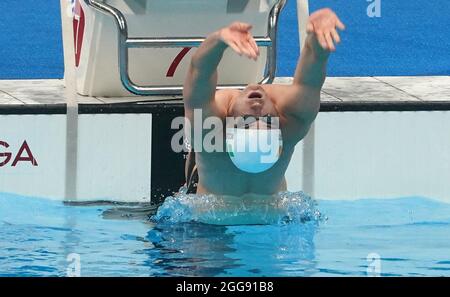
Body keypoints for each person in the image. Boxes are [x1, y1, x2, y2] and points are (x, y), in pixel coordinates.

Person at [183, 8, 345, 197]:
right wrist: (317, 39)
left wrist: (218, 40)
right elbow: (310, 79)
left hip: (211, 221)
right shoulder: (292, 123)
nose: (258, 108)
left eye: (247, 120)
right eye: (268, 119)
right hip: (269, 218)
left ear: (229, 128)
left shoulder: (208, 133)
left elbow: (198, 71)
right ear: (279, 130)